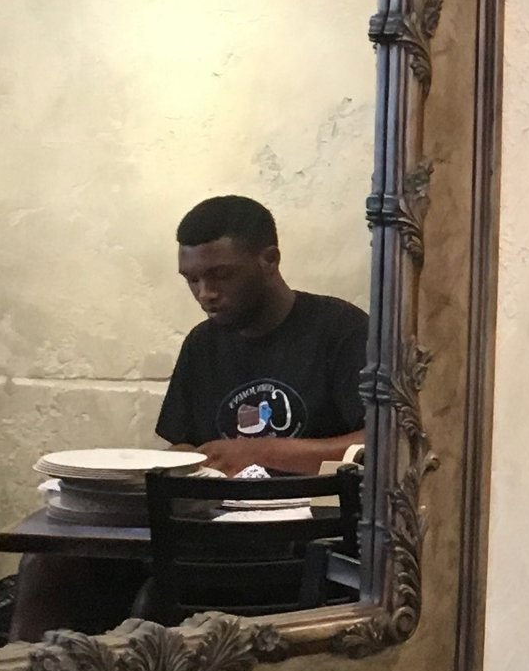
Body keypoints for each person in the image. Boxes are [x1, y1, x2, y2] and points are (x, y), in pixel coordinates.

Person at [156, 195, 371, 472]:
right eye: (192, 280)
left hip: (318, 512)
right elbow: (184, 445)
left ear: (269, 260)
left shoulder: (341, 330)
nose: (205, 293)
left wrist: (262, 453)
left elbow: (380, 444)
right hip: (221, 513)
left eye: (221, 275)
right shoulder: (202, 344)